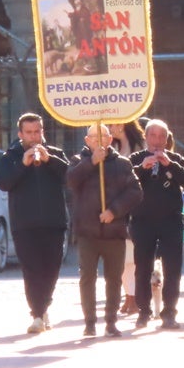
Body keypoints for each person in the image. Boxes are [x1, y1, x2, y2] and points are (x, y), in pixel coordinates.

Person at [64, 124, 143, 337]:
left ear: (110, 140)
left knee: (114, 278)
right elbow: (71, 181)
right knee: (87, 277)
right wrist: (91, 163)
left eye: (103, 137)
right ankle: (90, 321)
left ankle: (111, 321)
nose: (99, 141)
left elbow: (135, 192)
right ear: (87, 141)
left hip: (114, 231)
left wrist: (114, 211)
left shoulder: (123, 164)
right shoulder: (77, 161)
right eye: (94, 137)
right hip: (87, 231)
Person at [0, 113, 70, 334]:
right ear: (20, 134)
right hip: (24, 224)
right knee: (31, 270)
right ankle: (37, 314)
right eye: (29, 132)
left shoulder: (55, 153)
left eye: (37, 131)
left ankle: (43, 307)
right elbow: (4, 183)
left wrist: (50, 160)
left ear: (42, 132)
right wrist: (22, 165)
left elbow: (70, 177)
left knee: (51, 269)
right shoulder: (10, 157)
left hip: (53, 222)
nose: (34, 136)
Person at [129, 119, 184, 330]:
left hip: (171, 221)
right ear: (146, 138)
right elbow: (124, 182)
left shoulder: (175, 159)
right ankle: (144, 311)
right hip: (143, 221)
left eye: (162, 137)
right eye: (153, 136)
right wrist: (142, 168)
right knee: (142, 268)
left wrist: (169, 165)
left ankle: (169, 313)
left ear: (167, 139)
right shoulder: (135, 159)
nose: (157, 141)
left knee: (173, 268)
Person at [108, 120, 145, 316]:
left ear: (122, 125)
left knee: (136, 256)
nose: (110, 128)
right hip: (117, 206)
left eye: (113, 124)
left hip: (137, 204)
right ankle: (129, 295)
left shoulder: (140, 147)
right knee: (122, 257)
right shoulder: (110, 147)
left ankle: (134, 297)